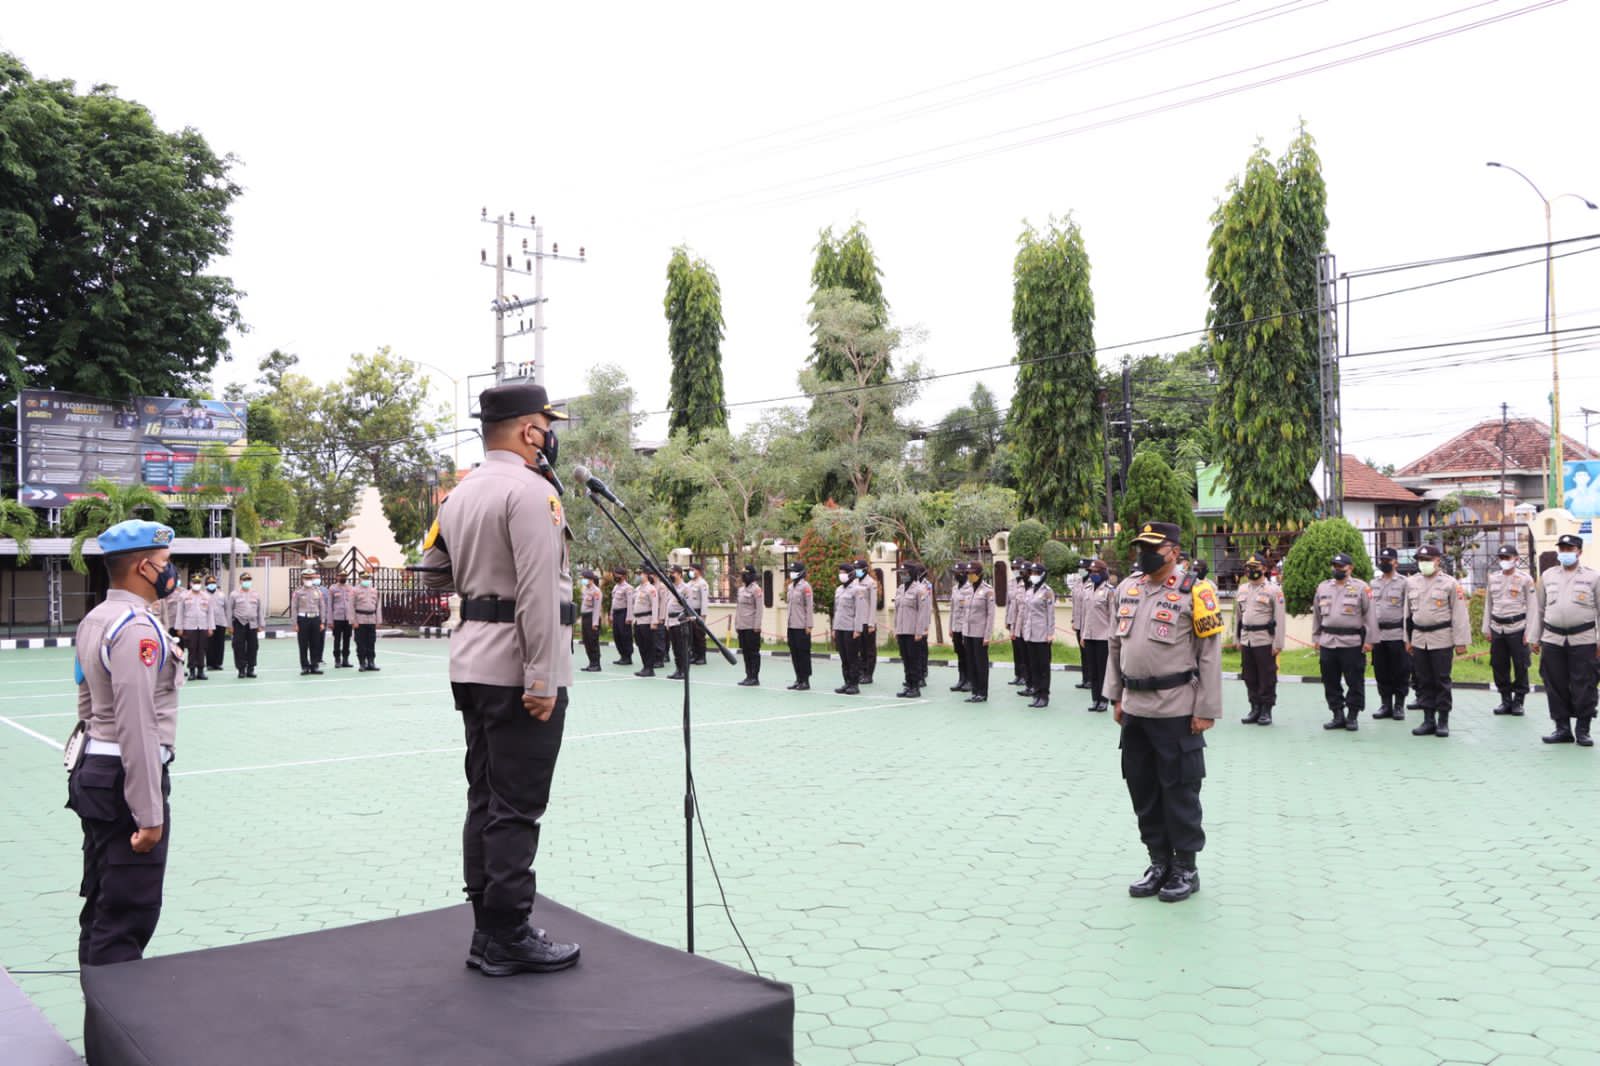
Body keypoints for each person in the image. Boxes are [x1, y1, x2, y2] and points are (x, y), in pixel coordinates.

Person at [417, 380, 579, 977]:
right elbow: (538, 592)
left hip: (472, 663)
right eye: (546, 426)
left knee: (485, 797)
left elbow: (432, 572)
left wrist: (478, 578)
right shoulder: (533, 493)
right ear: (529, 431)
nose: (549, 437)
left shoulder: (459, 494)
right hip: (518, 670)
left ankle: (487, 930)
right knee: (516, 806)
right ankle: (509, 932)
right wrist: (542, 678)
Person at [68, 518, 183, 967]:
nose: (170, 571)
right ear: (143, 567)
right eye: (165, 561)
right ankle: (113, 1011)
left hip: (98, 772)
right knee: (127, 915)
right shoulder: (135, 628)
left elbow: (85, 703)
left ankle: (97, 1007)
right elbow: (138, 724)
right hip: (124, 781)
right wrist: (149, 814)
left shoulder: (96, 618)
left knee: (103, 903)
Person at [1103, 521, 1223, 903]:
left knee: (1180, 790)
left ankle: (1185, 868)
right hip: (1135, 708)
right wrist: (1116, 696)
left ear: (1173, 551)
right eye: (1141, 547)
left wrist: (1206, 708)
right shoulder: (1128, 588)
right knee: (1143, 789)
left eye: (1152, 547)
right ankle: (1158, 862)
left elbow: (1209, 654)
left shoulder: (1197, 591)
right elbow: (1115, 646)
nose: (1144, 553)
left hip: (1176, 708)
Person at [1532, 532, 1600, 745]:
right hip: (1553, 638)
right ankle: (1562, 729)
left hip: (1584, 639)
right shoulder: (1548, 576)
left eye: (1569, 549)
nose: (1565, 552)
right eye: (1562, 549)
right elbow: (1539, 609)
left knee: (1585, 684)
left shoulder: (1593, 577)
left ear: (1579, 552)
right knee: (1555, 684)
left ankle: (1583, 730)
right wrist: (1535, 637)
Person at [1405, 544, 1470, 738]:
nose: (1423, 563)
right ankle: (1428, 720)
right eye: (1420, 560)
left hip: (1442, 637)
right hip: (1419, 638)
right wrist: (1407, 639)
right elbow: (1406, 614)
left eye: (1427, 560)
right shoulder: (1411, 582)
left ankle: (1443, 720)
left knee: (1441, 680)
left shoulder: (1449, 583)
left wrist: (1461, 642)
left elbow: (1459, 614)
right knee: (1423, 680)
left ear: (1437, 561)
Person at [1312, 552, 1375, 732]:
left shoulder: (1361, 588)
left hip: (1352, 642)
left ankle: (1352, 715)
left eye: (1341, 566)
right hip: (1328, 641)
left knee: (1354, 680)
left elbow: (1370, 615)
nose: (1337, 569)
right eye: (1335, 566)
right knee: (1330, 680)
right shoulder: (1323, 587)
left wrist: (1369, 640)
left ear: (1350, 568)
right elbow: (1317, 615)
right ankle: (1337, 714)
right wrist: (1316, 637)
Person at [1485, 544, 1540, 717]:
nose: (1504, 561)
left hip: (1518, 628)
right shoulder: (1493, 578)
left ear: (1516, 558)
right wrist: (1487, 628)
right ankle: (1505, 700)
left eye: (1507, 558)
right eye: (1501, 558)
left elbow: (1533, 607)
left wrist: (1530, 633)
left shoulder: (1525, 579)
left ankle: (1518, 701)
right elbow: (1488, 604)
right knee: (1498, 665)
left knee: (1521, 665)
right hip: (1497, 628)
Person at [1234, 552, 1286, 725]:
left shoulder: (1274, 590)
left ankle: (1266, 710)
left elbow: (1280, 618)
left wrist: (1278, 643)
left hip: (1265, 639)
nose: (1251, 571)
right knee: (1249, 676)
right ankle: (1254, 707)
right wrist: (1237, 639)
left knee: (1267, 676)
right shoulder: (1242, 589)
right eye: (1248, 568)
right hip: (1246, 639)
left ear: (1264, 569)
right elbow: (1238, 617)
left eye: (1254, 567)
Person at [1369, 547, 1412, 722]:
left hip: (1397, 633)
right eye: (1382, 560)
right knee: (1381, 671)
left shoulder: (1404, 583)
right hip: (1378, 635)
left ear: (1396, 562)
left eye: (1387, 560)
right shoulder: (1373, 583)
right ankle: (1385, 704)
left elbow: (1408, 611)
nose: (1384, 563)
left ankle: (1399, 705)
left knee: (1400, 671)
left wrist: (1408, 637)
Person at [1018, 562, 1056, 709]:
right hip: (1030, 634)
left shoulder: (1047, 592)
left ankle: (1044, 695)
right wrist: (1023, 630)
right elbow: (1026, 613)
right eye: (1032, 573)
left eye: (1036, 573)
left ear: (1042, 574)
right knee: (1033, 666)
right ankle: (1036, 693)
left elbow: (1050, 614)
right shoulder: (1030, 591)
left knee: (1043, 667)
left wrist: (1050, 633)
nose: (1033, 575)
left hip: (1042, 634)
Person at [1079, 560, 1114, 713]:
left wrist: (1112, 637)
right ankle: (1095, 699)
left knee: (1103, 670)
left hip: (1103, 637)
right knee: (1092, 669)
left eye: (1096, 572)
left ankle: (1104, 700)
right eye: (1092, 572)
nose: (1093, 574)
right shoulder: (1087, 589)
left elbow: (1113, 616)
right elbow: (1084, 614)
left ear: (1103, 572)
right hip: (1089, 635)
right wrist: (1083, 634)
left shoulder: (1109, 591)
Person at [893, 561, 931, 698]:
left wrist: (920, 631)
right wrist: (896, 629)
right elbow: (897, 611)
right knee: (906, 660)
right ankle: (908, 685)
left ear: (912, 573)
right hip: (902, 631)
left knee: (914, 660)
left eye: (905, 573)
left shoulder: (920, 590)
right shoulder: (900, 589)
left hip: (913, 632)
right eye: (901, 573)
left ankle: (915, 687)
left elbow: (923, 612)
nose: (902, 575)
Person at [959, 563, 996, 703]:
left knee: (981, 664)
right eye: (968, 573)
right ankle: (974, 691)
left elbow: (990, 615)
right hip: (968, 632)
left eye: (972, 573)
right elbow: (964, 612)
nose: (969, 576)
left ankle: (982, 692)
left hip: (980, 633)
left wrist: (987, 635)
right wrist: (963, 632)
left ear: (979, 574)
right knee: (971, 663)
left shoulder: (988, 590)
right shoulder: (967, 590)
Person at [226, 571, 265, 679]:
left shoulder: (256, 594)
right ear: (240, 581)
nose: (247, 582)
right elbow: (229, 610)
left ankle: (251, 668)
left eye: (248, 580)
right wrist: (229, 626)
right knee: (238, 647)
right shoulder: (234, 594)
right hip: (239, 623)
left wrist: (261, 624)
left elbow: (259, 610)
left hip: (252, 623)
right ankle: (241, 669)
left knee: (253, 646)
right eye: (244, 580)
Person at [176, 574, 212, 681]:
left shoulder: (206, 596)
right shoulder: (184, 596)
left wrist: (210, 627)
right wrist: (179, 627)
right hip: (189, 626)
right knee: (191, 649)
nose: (197, 584)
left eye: (198, 582)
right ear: (190, 583)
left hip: (203, 625)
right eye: (195, 582)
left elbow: (210, 614)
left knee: (202, 649)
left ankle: (201, 671)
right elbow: (180, 613)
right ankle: (192, 671)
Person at [833, 562, 861, 695]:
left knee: (852, 657)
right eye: (840, 573)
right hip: (840, 627)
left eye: (843, 573)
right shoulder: (839, 589)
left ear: (850, 574)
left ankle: (854, 684)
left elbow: (859, 611)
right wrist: (834, 628)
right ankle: (847, 682)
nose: (841, 575)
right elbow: (836, 610)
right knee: (844, 658)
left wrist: (857, 629)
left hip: (851, 628)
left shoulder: (856, 589)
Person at [786, 562, 814, 691]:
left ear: (801, 572)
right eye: (791, 571)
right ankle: (798, 679)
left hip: (802, 626)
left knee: (803, 654)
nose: (792, 573)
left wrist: (809, 625)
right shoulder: (790, 586)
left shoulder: (805, 586)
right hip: (791, 625)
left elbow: (809, 607)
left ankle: (805, 680)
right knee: (794, 653)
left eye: (794, 571)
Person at [292, 570, 326, 676]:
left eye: (310, 578)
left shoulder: (318, 591)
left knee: (315, 643)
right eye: (306, 578)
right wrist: (295, 623)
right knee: (303, 644)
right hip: (303, 620)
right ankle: (305, 667)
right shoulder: (298, 592)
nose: (308, 580)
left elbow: (322, 607)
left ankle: (314, 666)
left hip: (315, 619)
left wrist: (322, 622)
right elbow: (294, 608)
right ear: (302, 579)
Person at [631, 569, 664, 677]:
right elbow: (634, 605)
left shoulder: (651, 589)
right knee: (641, 645)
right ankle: (645, 666)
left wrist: (654, 621)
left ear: (646, 575)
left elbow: (655, 605)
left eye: (640, 574)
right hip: (638, 620)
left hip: (647, 620)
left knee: (648, 645)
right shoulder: (637, 589)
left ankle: (649, 668)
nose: (638, 576)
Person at [734, 563, 762, 686]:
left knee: (753, 653)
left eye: (745, 574)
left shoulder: (756, 589)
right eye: (743, 574)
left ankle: (754, 677)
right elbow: (738, 609)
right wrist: (736, 624)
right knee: (745, 652)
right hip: (742, 626)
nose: (743, 576)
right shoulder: (741, 590)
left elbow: (759, 609)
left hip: (752, 627)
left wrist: (757, 626)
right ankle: (748, 676)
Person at [949, 563, 973, 692]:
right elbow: (953, 610)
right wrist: (950, 627)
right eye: (954, 573)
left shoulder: (970, 588)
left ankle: (970, 680)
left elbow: (969, 610)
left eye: (957, 573)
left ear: (964, 573)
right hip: (956, 628)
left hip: (966, 628)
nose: (955, 575)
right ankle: (961, 679)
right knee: (960, 655)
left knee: (968, 654)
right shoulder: (955, 588)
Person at [854, 560, 879, 685]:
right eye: (855, 568)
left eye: (858, 568)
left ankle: (868, 674)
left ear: (865, 569)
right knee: (858, 649)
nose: (856, 570)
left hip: (867, 622)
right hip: (857, 622)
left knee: (869, 650)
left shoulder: (871, 583)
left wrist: (871, 624)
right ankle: (860, 672)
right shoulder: (854, 582)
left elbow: (873, 604)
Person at [352, 572, 384, 671]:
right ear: (360, 579)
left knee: (371, 642)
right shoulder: (355, 590)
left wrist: (378, 620)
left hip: (371, 619)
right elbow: (351, 607)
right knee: (360, 643)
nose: (366, 580)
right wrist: (353, 621)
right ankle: (362, 663)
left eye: (367, 578)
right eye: (364, 578)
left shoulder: (374, 590)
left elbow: (378, 606)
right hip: (360, 619)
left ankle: (371, 662)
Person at [664, 566, 691, 681]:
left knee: (682, 648)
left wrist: (685, 619)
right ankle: (678, 669)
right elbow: (667, 605)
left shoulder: (686, 588)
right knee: (675, 648)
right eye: (670, 573)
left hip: (680, 621)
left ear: (680, 574)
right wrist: (666, 622)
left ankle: (684, 671)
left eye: (673, 573)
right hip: (671, 621)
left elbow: (688, 606)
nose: (671, 575)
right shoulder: (671, 587)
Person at [1006, 565, 1027, 689]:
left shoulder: (1026, 583)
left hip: (1022, 621)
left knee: (1023, 649)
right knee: (1016, 649)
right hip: (1012, 619)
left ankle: (1024, 675)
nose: (1015, 570)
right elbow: (1008, 603)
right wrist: (1007, 620)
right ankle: (1018, 675)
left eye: (1017, 568)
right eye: (1013, 568)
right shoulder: (1011, 583)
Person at [609, 566, 635, 666]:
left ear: (623, 576)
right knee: (617, 636)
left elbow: (630, 604)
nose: (615, 576)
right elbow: (613, 602)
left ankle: (628, 657)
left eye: (617, 574)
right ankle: (622, 656)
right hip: (616, 613)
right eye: (614, 574)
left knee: (625, 635)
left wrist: (629, 617)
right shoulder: (616, 587)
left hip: (624, 613)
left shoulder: (628, 588)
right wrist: (611, 614)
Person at [579, 569, 603, 672]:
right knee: (587, 641)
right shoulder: (585, 590)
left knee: (593, 641)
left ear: (591, 579)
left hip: (592, 618)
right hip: (585, 617)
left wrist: (595, 623)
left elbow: (597, 608)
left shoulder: (596, 591)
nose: (583, 580)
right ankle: (591, 663)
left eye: (584, 578)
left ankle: (596, 664)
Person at [329, 572, 355, 668]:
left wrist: (353, 619)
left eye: (344, 576)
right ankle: (337, 660)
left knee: (347, 640)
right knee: (337, 640)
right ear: (337, 577)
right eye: (341, 576)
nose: (343, 577)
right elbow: (330, 605)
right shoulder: (333, 588)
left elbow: (353, 605)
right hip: (337, 618)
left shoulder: (351, 588)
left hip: (348, 618)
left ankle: (345, 660)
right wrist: (330, 620)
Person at [686, 565, 710, 666]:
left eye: (692, 570)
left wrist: (703, 615)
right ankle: (694, 655)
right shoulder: (689, 583)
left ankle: (701, 657)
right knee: (691, 635)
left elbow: (704, 600)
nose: (690, 572)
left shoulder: (702, 583)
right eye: (690, 570)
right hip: (690, 612)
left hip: (698, 612)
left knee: (699, 635)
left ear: (698, 571)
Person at [1072, 567, 1092, 690]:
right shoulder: (1077, 583)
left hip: (1088, 624)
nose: (1081, 570)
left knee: (1089, 653)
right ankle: (1085, 679)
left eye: (1083, 568)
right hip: (1079, 623)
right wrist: (1073, 620)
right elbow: (1075, 604)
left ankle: (1091, 679)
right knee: (1082, 653)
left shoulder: (1092, 583)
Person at [205, 576, 228, 672]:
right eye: (209, 583)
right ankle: (210, 663)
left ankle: (218, 663)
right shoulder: (203, 595)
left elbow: (226, 609)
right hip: (207, 624)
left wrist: (228, 623)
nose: (212, 584)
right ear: (206, 584)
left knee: (220, 644)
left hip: (220, 622)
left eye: (213, 583)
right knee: (209, 644)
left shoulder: (222, 595)